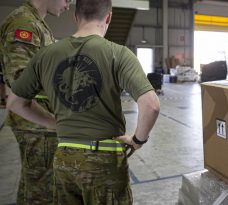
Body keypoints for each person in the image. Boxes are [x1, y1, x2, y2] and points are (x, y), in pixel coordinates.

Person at [7, 0, 160, 203]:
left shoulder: (45, 55)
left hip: (64, 158)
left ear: (76, 18)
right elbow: (151, 105)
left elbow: (15, 103)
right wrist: (138, 140)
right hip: (105, 160)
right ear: (109, 17)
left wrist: (54, 123)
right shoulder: (118, 53)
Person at [0, 0, 71, 204]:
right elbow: (19, 87)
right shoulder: (24, 24)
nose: (68, 5)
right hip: (36, 125)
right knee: (41, 193)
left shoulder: (37, 24)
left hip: (40, 123)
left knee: (37, 186)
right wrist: (54, 123)